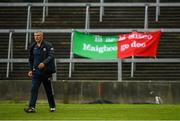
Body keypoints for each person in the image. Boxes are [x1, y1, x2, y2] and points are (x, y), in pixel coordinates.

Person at [24, 31, 56, 113]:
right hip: (36, 73)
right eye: (35, 35)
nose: (36, 37)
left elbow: (51, 56)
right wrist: (30, 69)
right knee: (34, 89)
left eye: (38, 35)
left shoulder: (48, 45)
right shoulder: (32, 46)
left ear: (42, 36)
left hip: (46, 72)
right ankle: (32, 107)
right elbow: (31, 59)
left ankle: (52, 106)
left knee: (48, 90)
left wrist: (43, 63)